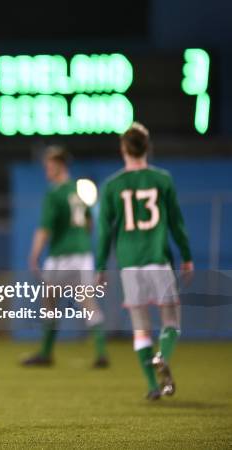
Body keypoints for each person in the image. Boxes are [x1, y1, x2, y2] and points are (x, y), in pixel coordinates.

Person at [96, 122, 193, 400]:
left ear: (123, 148)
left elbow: (105, 230)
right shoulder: (162, 179)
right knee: (171, 321)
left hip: (129, 264)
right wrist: (186, 256)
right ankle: (162, 356)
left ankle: (152, 385)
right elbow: (176, 223)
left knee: (140, 327)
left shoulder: (113, 185)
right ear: (147, 147)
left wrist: (101, 265)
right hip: (156, 259)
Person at [23, 147, 108, 368]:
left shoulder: (55, 192)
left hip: (61, 255)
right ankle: (101, 353)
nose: (47, 171)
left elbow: (44, 229)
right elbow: (90, 223)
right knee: (87, 302)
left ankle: (46, 352)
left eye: (49, 166)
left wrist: (34, 254)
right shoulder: (80, 190)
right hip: (83, 253)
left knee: (49, 301)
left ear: (60, 166)